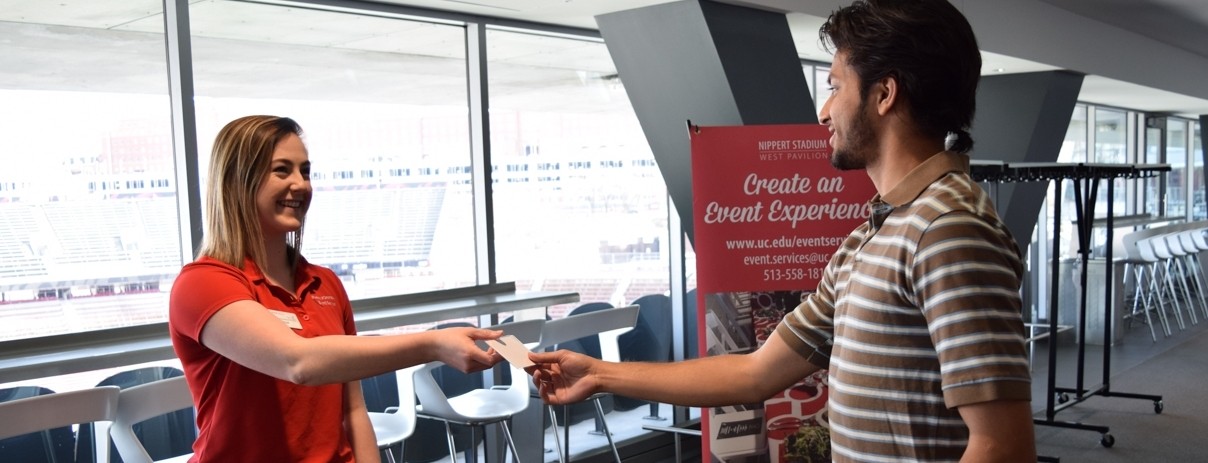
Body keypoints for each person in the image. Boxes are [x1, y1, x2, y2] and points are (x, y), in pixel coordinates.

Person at [528, 1, 1036, 461]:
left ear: (885, 94)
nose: (823, 110)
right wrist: (598, 373)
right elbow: (755, 373)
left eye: (836, 86)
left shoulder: (948, 231)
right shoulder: (876, 234)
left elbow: (1002, 445)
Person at [169, 115, 503, 463]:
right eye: (282, 170)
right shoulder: (204, 282)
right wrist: (432, 344)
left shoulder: (325, 283)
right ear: (237, 182)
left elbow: (353, 409)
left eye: (305, 171)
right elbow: (298, 362)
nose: (300, 185)